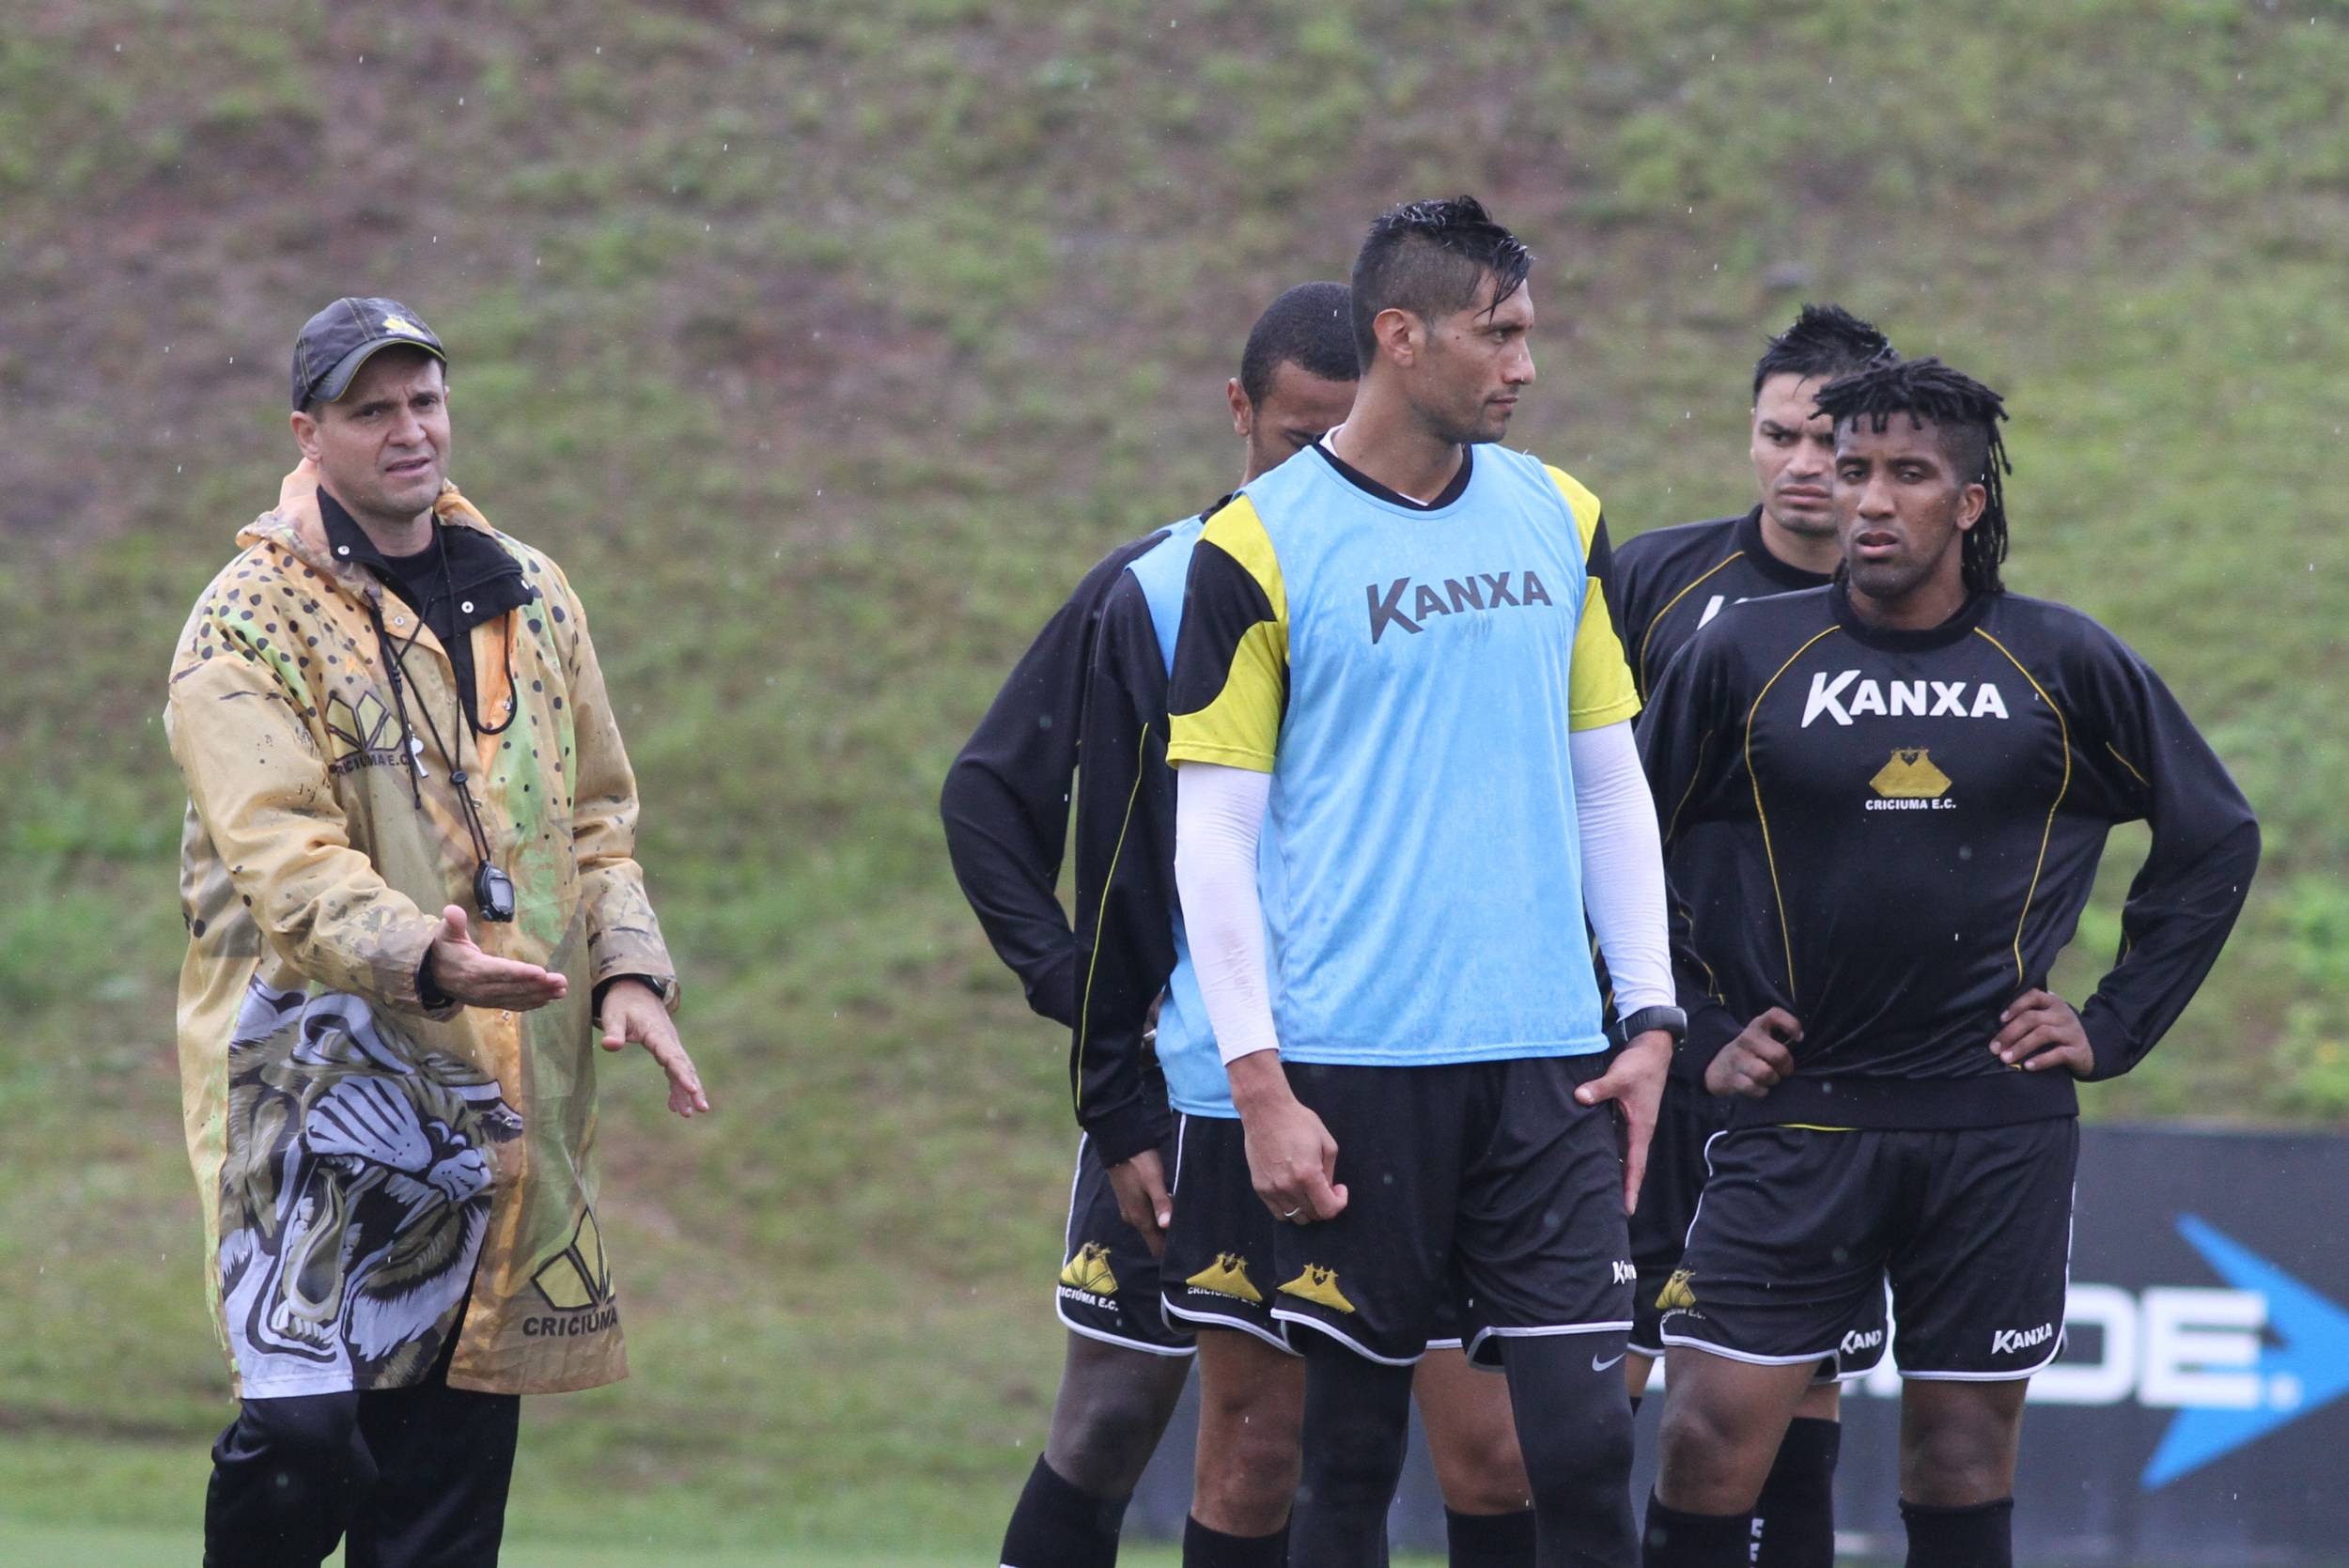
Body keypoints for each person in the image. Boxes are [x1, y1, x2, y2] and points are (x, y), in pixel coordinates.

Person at [1636, 359, 2260, 1568]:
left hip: (1991, 1125)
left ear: (1968, 503)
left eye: (1906, 474)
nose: (1867, 497)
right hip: (1795, 1114)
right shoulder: (1741, 657)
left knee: (1960, 1455)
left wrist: (2112, 1021)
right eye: (1852, 467)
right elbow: (1607, 849)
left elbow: (2212, 836)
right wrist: (1702, 1026)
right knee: (1707, 1438)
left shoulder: (2061, 662)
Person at [1168, 197, 1682, 1568]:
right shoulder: (1256, 545)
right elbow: (1210, 836)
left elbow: (1603, 779)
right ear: (1401, 337)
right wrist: (1260, 1082)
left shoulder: (1561, 516)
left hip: (1548, 1065)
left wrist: (1650, 1017)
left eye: (1530, 334)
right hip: (1352, 1067)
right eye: (1497, 333)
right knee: (1345, 1463)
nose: (1525, 364)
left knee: (1579, 1444)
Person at [166, 297, 709, 1568]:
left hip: (496, 1090)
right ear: (310, 434)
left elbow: (597, 816)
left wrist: (627, 967)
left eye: (426, 401)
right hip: (301, 1102)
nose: (410, 432)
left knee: (447, 1481)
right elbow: (281, 858)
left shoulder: (535, 593)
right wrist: (423, 955)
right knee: (304, 1432)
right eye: (373, 411)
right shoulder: (242, 623)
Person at [1076, 282, 1541, 1568]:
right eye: (1298, 442)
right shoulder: (1173, 585)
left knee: (1493, 1456)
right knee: (1257, 1443)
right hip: (1234, 1086)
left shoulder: (1517, 548)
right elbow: (1115, 861)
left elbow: (1573, 796)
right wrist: (1115, 1095)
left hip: (1463, 1073)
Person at [1607, 303, 1900, 1568]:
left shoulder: (1922, 615)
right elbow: (1588, 799)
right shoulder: (1655, 584)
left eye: (1828, 443)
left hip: (1822, 1067)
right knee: (1594, 1381)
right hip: (1656, 1045)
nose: (1797, 463)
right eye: (1775, 432)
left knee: (1799, 1406)